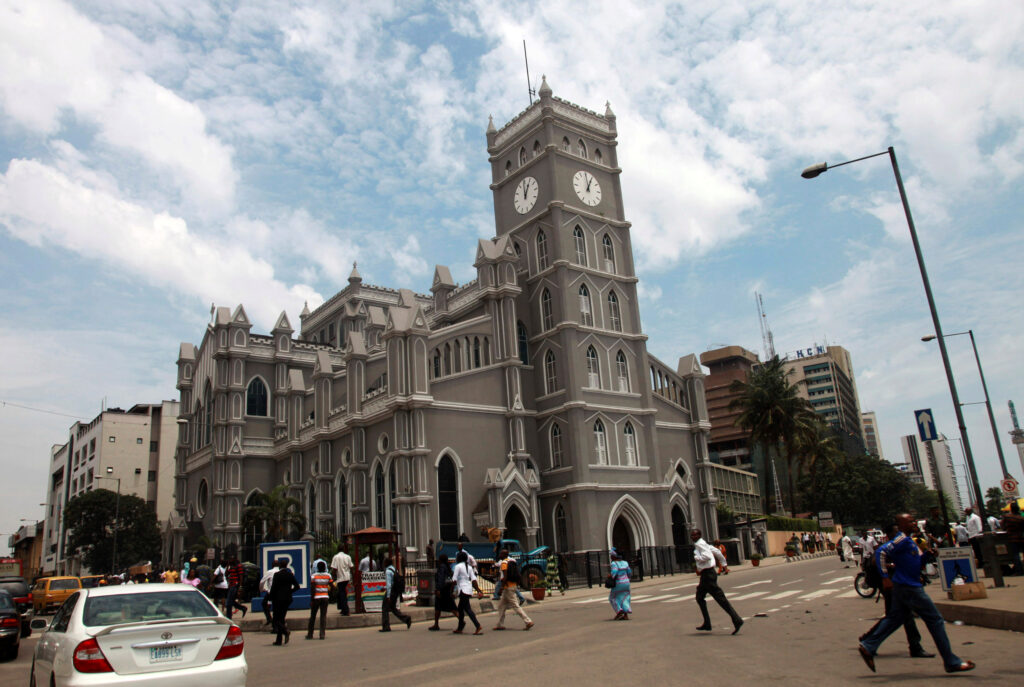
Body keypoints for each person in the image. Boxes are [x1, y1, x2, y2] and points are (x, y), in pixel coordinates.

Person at [858, 513, 974, 674]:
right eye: (910, 521)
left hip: (905, 585)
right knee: (935, 620)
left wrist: (927, 555)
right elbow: (881, 553)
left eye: (914, 520)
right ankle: (951, 661)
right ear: (901, 525)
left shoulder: (910, 542)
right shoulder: (902, 540)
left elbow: (915, 562)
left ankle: (868, 645)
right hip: (909, 587)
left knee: (896, 618)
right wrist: (885, 577)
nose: (914, 523)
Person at [858, 524, 932, 659]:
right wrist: (889, 569)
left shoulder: (902, 545)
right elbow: (876, 560)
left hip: (898, 585)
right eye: (897, 531)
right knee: (903, 616)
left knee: (894, 617)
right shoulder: (890, 547)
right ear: (891, 534)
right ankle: (914, 647)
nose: (900, 534)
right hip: (891, 586)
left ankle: (868, 640)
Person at [692, 528, 742, 635]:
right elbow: (716, 551)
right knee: (700, 597)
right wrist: (724, 564)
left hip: (708, 575)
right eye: (692, 535)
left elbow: (707, 556)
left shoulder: (700, 544)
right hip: (707, 575)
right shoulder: (704, 544)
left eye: (695, 535)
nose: (693, 537)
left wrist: (697, 558)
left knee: (720, 599)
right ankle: (707, 623)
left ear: (699, 535)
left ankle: (737, 620)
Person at [493, 548, 533, 631]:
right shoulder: (512, 561)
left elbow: (505, 576)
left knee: (515, 605)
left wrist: (501, 588)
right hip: (512, 585)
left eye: (501, 554)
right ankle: (500, 624)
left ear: (504, 555)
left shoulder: (504, 563)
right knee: (501, 606)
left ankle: (528, 621)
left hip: (508, 587)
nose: (499, 555)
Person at [269, 558, 300, 645]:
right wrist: (290, 591)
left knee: (276, 620)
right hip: (287, 599)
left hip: (278, 600)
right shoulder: (290, 575)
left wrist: (270, 598)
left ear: (280, 566)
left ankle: (285, 631)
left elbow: (273, 587)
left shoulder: (277, 575)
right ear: (286, 566)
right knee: (281, 618)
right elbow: (297, 586)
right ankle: (279, 640)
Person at [452, 550, 484, 635]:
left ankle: (477, 625)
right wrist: (478, 590)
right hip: (468, 589)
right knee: (461, 609)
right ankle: (460, 627)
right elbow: (474, 580)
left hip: (462, 590)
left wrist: (451, 591)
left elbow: (454, 580)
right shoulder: (469, 567)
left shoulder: (457, 566)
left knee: (467, 609)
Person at [428, 553, 459, 631]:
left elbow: (441, 579)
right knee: (438, 607)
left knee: (450, 606)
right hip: (447, 589)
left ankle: (460, 620)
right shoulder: (447, 567)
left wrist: (438, 589)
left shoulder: (442, 567)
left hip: (443, 590)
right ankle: (436, 624)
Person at [380, 556, 412, 632]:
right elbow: (392, 582)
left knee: (385, 608)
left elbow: (389, 584)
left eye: (384, 562)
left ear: (386, 563)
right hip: (395, 591)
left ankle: (386, 626)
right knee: (393, 608)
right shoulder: (394, 569)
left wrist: (388, 596)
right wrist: (385, 588)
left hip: (391, 592)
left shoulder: (388, 571)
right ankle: (406, 619)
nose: (383, 564)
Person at [306, 560, 332, 640]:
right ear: (324, 568)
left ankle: (310, 634)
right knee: (323, 616)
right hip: (325, 597)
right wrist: (328, 593)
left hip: (316, 598)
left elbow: (313, 589)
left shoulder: (314, 576)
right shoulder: (328, 576)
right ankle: (322, 634)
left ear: (317, 568)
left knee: (313, 616)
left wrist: (312, 599)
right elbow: (332, 586)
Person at [607, 548, 632, 620]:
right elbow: (629, 573)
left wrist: (609, 576)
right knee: (625, 598)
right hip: (626, 583)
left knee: (612, 598)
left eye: (611, 555)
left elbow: (614, 573)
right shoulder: (625, 563)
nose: (610, 557)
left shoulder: (614, 563)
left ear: (614, 556)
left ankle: (619, 611)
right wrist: (628, 579)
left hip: (618, 583)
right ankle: (625, 615)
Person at [1001, 501, 1024, 575]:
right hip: (1021, 537)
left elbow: (1003, 527)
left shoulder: (1007, 517)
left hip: (1012, 538)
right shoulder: (1021, 518)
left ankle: (1019, 571)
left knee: (1016, 555)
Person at [330, 543, 353, 615]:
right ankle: (343, 609)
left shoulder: (336, 557)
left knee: (342, 593)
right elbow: (351, 567)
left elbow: (334, 569)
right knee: (343, 593)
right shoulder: (348, 557)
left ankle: (346, 610)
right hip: (347, 577)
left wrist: (333, 578)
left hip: (340, 578)